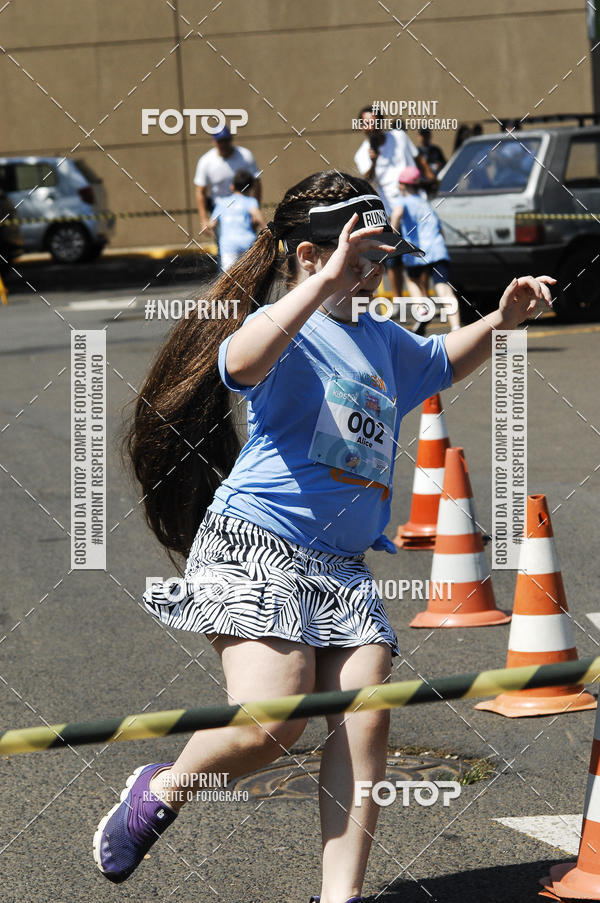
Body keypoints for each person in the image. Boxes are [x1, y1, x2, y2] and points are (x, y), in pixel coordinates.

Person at [93, 169, 554, 903]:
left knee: (366, 717)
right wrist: (324, 285)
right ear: (309, 255)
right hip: (257, 545)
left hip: (339, 567)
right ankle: (166, 786)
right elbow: (239, 361)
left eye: (383, 258)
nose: (377, 273)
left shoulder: (383, 339)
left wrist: (502, 321)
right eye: (363, 257)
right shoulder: (287, 327)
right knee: (270, 727)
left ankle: (340, 898)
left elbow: (441, 362)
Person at [354, 105, 435, 297]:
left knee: (420, 254)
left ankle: (424, 298)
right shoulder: (362, 154)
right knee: (393, 258)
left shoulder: (399, 137)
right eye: (366, 124)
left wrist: (431, 177)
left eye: (374, 122)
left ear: (381, 123)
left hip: (415, 206)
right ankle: (399, 301)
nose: (371, 127)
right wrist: (374, 160)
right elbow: (368, 179)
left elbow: (418, 158)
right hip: (391, 212)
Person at [391, 165, 462, 334]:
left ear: (402, 185)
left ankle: (422, 309)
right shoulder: (425, 203)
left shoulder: (402, 201)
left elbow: (397, 214)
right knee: (443, 288)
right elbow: (439, 228)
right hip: (437, 250)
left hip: (417, 253)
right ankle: (456, 327)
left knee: (412, 280)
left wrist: (392, 233)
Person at [194, 126, 261, 239]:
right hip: (219, 210)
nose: (223, 144)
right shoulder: (206, 161)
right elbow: (200, 191)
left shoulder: (245, 156)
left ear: (231, 139)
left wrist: (255, 210)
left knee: (248, 241)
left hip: (243, 209)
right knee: (224, 242)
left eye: (225, 140)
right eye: (220, 141)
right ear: (214, 141)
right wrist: (204, 219)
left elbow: (257, 184)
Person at [208, 169, 266, 271]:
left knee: (228, 275)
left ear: (232, 186)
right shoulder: (250, 201)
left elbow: (211, 224)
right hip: (248, 242)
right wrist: (267, 228)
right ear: (250, 188)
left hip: (228, 244)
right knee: (249, 273)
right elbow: (258, 217)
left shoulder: (222, 202)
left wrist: (214, 234)